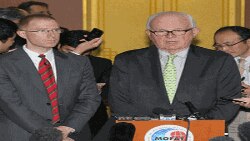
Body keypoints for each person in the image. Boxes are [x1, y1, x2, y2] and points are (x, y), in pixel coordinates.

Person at [109, 11, 241, 122]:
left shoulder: (219, 61)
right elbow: (119, 101)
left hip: (202, 132)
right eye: (161, 31)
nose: (170, 36)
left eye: (178, 30)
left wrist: (200, 124)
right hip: (143, 132)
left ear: (194, 32)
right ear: (149, 34)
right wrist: (152, 126)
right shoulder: (127, 61)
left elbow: (229, 101)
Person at [0, 14, 100, 141]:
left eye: (56, 30)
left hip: (70, 133)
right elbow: (11, 105)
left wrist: (69, 127)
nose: (52, 35)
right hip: (22, 133)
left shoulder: (78, 62)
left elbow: (90, 98)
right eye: (43, 31)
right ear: (22, 34)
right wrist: (53, 135)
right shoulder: (4, 63)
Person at [60, 30, 112, 138]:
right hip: (59, 118)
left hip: (92, 119)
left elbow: (109, 93)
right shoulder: (47, 61)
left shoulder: (101, 64)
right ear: (58, 46)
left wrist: (97, 90)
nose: (77, 55)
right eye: (68, 51)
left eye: (84, 53)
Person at [213, 26, 250, 140]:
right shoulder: (217, 62)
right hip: (231, 113)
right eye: (218, 46)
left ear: (248, 42)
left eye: (229, 44)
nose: (223, 49)